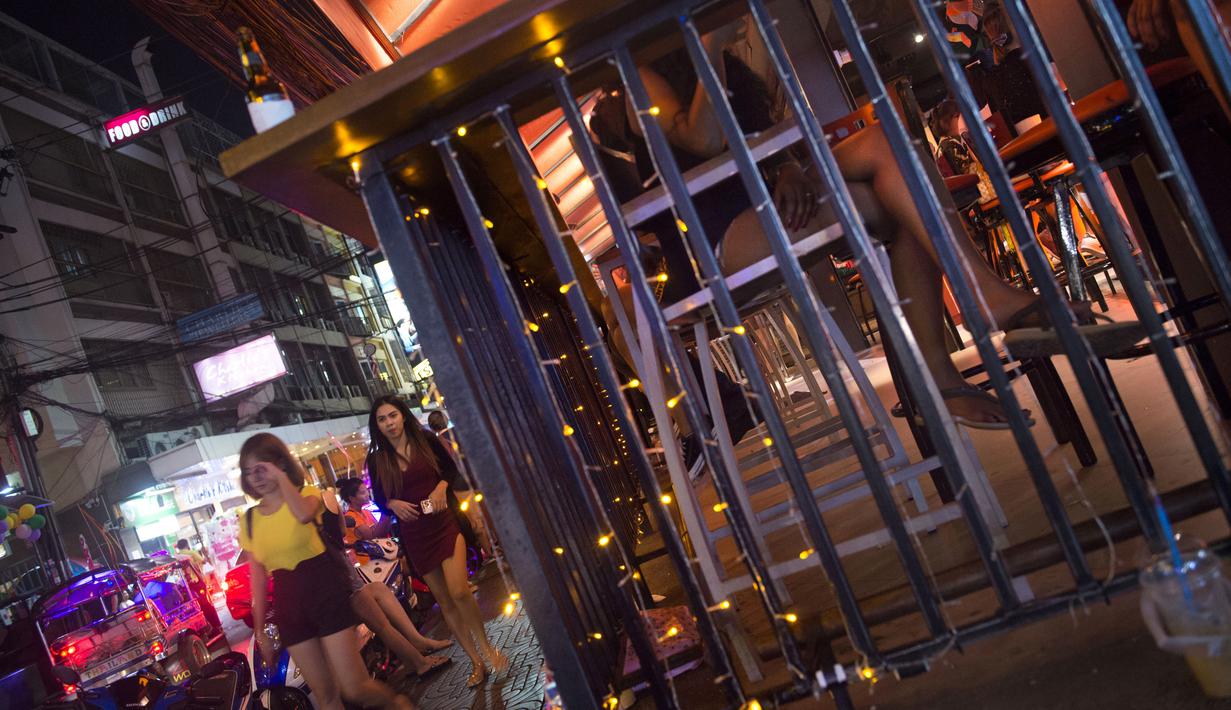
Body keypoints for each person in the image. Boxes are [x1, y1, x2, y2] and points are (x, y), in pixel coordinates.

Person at [592, 20, 1141, 428]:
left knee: (897, 174)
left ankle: (952, 361)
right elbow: (700, 139)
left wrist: (786, 168)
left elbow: (759, 138)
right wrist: (708, 41)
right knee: (901, 192)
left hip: (764, 207)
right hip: (713, 244)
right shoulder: (637, 71)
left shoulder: (729, 68)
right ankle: (976, 324)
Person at [237, 433, 413, 710]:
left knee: (354, 687)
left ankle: (397, 705)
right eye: (249, 472)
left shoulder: (307, 495)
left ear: (279, 464)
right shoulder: (248, 521)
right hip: (289, 607)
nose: (255, 477)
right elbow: (257, 580)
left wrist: (281, 478)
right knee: (325, 695)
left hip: (325, 592)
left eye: (262, 468)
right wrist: (260, 632)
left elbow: (304, 515)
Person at [366, 396, 509, 688]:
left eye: (392, 416)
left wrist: (442, 488)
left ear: (403, 416)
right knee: (445, 600)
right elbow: (379, 497)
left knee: (459, 591)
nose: (389, 423)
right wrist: (392, 503)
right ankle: (476, 661)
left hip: (444, 524)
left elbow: (451, 471)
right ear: (377, 425)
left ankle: (489, 648)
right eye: (382, 419)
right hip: (414, 534)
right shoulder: (377, 459)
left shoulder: (425, 440)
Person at [323, 479, 454, 680]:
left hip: (355, 572)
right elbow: (359, 532)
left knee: (381, 589)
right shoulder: (324, 505)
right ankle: (417, 659)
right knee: (380, 619)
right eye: (362, 492)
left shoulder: (341, 506)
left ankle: (418, 642)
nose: (366, 494)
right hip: (351, 574)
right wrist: (387, 508)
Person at [425, 410, 494, 561]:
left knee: (475, 520)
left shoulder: (436, 443)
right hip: (478, 478)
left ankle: (489, 552)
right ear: (446, 420)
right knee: (489, 512)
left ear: (431, 427)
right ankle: (498, 544)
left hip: (459, 484)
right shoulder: (460, 432)